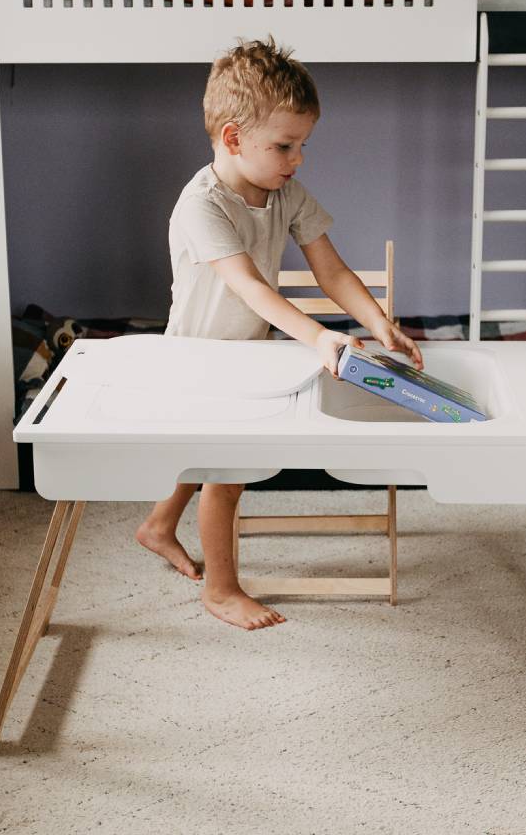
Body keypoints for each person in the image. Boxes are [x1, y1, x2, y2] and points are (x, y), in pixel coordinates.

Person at [135, 37, 423, 630]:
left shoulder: (283, 192)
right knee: (227, 475)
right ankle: (220, 589)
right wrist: (318, 339)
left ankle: (158, 526)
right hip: (201, 357)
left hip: (248, 352)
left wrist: (377, 322)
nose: (297, 159)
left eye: (303, 146)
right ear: (234, 138)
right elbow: (250, 288)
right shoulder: (201, 205)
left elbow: (331, 268)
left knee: (209, 459)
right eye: (285, 146)